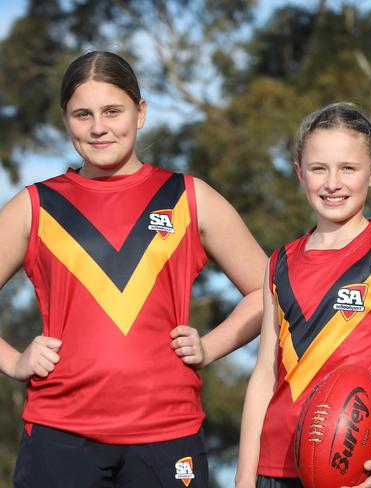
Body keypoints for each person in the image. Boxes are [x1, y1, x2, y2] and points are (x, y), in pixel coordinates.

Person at [0, 51, 267, 487]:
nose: (99, 127)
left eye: (112, 111)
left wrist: (211, 345)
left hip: (169, 436)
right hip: (60, 437)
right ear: (65, 120)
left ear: (140, 113)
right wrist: (14, 361)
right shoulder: (36, 205)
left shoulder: (187, 197)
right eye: (82, 114)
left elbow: (268, 291)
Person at [234, 102, 371, 488]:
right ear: (299, 173)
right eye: (319, 168)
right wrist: (243, 475)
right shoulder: (279, 263)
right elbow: (264, 375)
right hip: (274, 467)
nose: (332, 182)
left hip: (351, 466)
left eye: (348, 169)